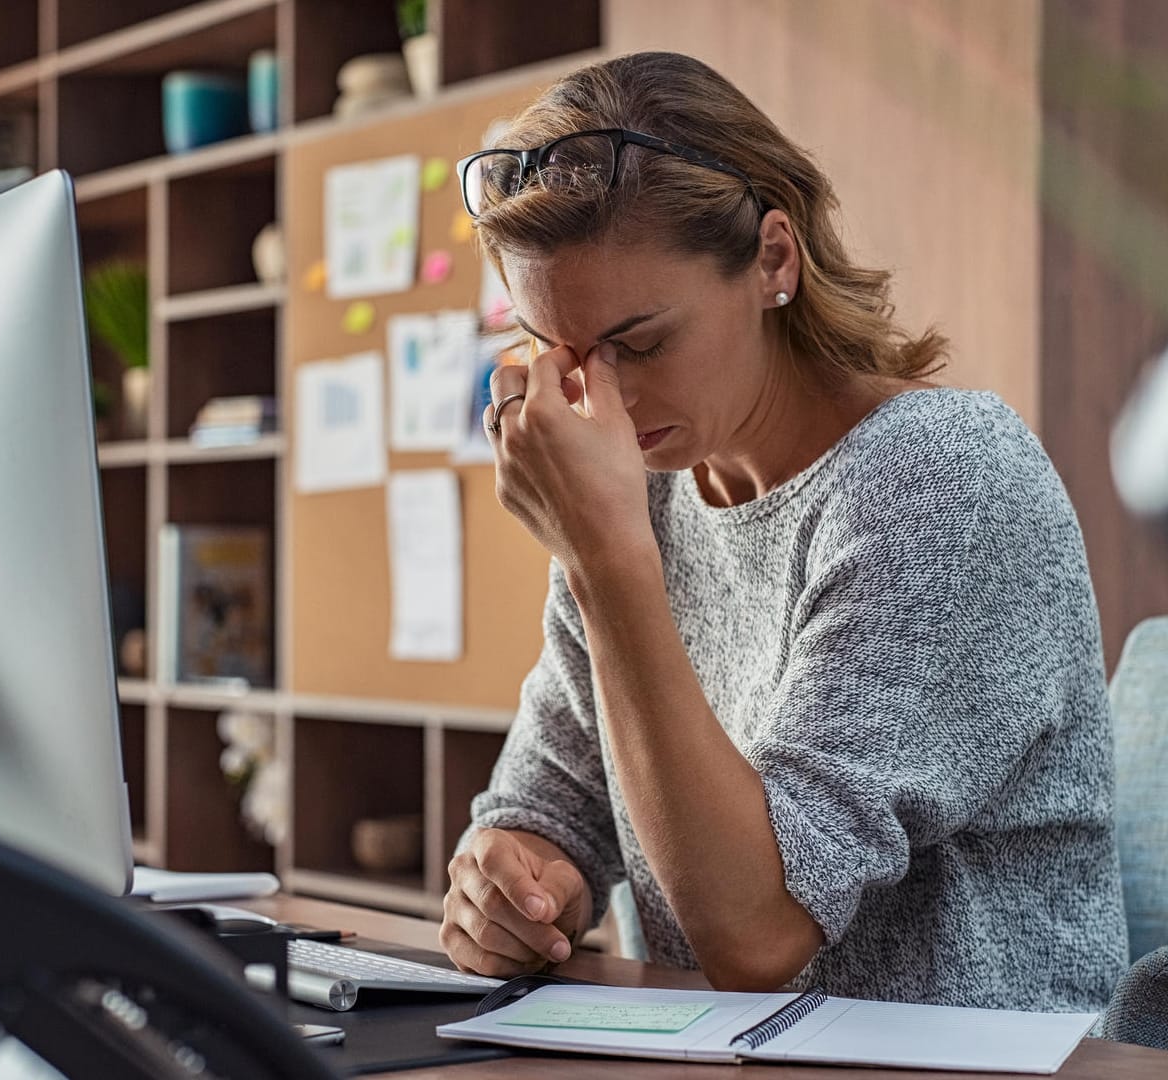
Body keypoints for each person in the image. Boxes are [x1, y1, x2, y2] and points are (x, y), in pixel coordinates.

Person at [440, 51, 1127, 1010]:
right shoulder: (643, 496)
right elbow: (554, 800)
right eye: (561, 353)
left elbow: (758, 931)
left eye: (641, 344)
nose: (602, 398)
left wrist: (604, 559)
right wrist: (512, 881)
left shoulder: (940, 480)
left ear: (774, 258)